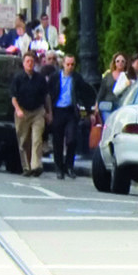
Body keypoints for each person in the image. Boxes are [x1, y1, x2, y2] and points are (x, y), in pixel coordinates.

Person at [48, 49, 95, 179]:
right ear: (63, 64)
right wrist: (48, 111)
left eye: (72, 64)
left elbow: (84, 94)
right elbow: (48, 94)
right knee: (57, 140)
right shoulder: (54, 77)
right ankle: (59, 167)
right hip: (58, 110)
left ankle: (69, 166)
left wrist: (89, 111)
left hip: (70, 111)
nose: (70, 67)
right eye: (68, 64)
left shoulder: (77, 78)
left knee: (72, 140)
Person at [10, 48, 52, 176]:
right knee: (24, 141)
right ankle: (26, 167)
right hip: (23, 111)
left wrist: (49, 112)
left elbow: (46, 96)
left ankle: (36, 166)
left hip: (38, 111)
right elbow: (13, 97)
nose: (30, 64)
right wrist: (18, 110)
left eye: (32, 61)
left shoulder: (40, 79)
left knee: (37, 139)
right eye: (27, 61)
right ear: (24, 63)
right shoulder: (18, 78)